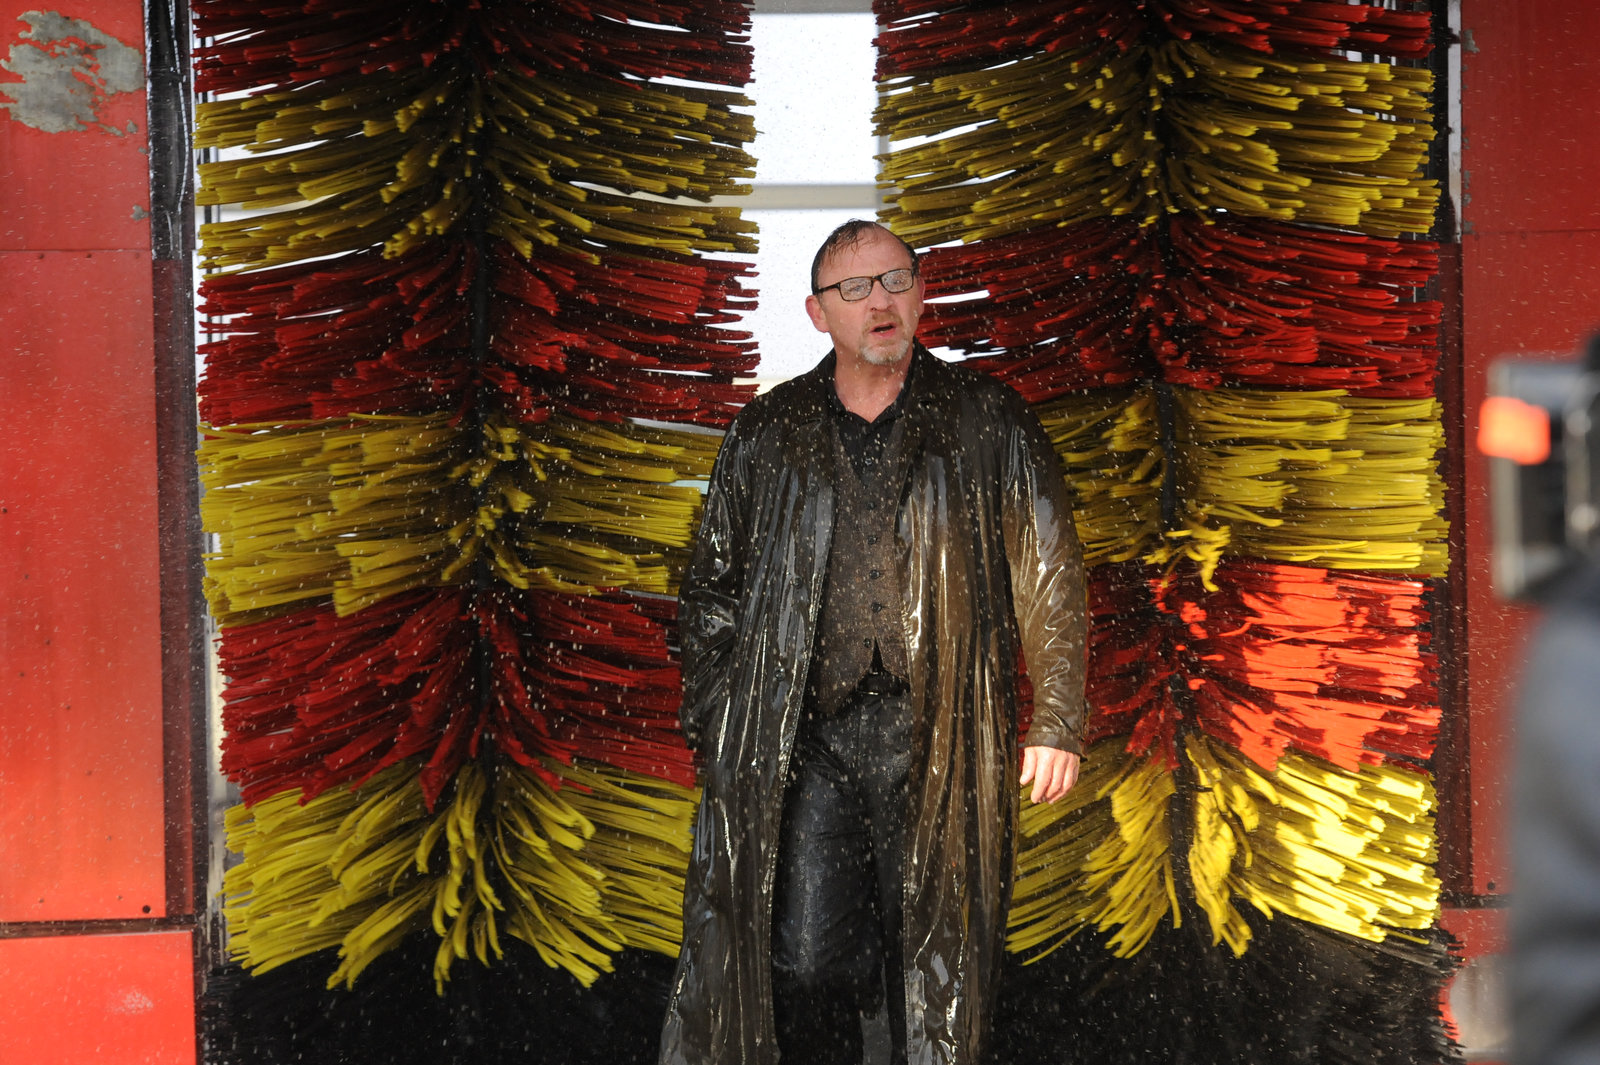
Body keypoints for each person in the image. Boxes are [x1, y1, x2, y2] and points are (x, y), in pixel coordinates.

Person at [658, 220, 1088, 1065]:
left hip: (942, 731)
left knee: (936, 963)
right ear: (818, 313)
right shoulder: (769, 430)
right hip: (807, 736)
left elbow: (1048, 563)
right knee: (803, 959)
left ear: (921, 295)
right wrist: (721, 720)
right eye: (853, 288)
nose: (878, 301)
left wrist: (1057, 716)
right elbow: (711, 587)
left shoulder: (987, 418)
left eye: (894, 280)